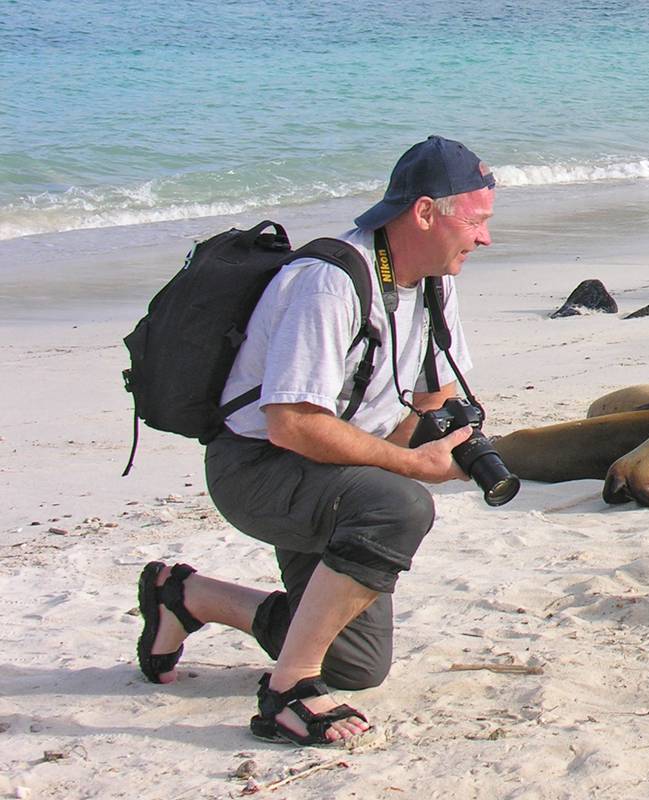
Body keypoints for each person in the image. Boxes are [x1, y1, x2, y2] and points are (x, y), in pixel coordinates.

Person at [134, 136, 496, 746]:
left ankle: (186, 597)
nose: (485, 237)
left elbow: (429, 400)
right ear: (426, 212)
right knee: (400, 506)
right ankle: (286, 693)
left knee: (357, 666)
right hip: (258, 468)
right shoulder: (329, 283)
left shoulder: (435, 282)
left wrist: (445, 442)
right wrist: (409, 465)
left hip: (331, 474)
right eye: (477, 221)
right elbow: (292, 423)